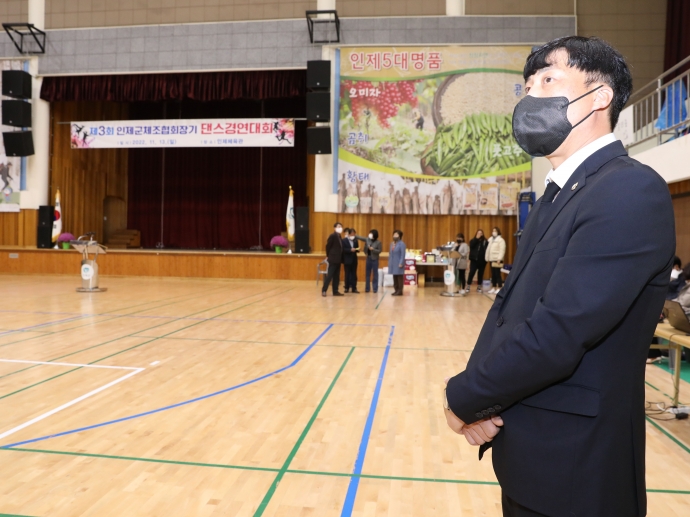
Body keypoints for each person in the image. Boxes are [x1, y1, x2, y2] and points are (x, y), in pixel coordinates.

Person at [444, 36, 675, 517]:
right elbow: (510, 311)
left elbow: (557, 333)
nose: (532, 96)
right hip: (530, 454)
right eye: (528, 86)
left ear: (599, 96)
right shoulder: (560, 195)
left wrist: (463, 398)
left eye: (549, 80)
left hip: (578, 470)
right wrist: (484, 403)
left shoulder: (627, 190)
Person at [322, 222, 344, 297]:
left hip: (338, 259)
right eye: (338, 226)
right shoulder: (333, 236)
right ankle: (324, 290)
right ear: (334, 228)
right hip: (333, 258)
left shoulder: (339, 236)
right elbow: (328, 246)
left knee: (336, 276)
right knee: (330, 275)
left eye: (341, 226)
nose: (340, 228)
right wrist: (328, 255)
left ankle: (335, 291)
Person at [485, 227, 506, 295]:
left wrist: (499, 258)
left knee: (497, 274)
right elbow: (488, 249)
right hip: (492, 259)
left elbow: (502, 250)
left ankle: (499, 288)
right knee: (493, 274)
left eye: (495, 231)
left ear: (498, 232)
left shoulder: (501, 240)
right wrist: (487, 257)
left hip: (497, 259)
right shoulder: (491, 240)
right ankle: (493, 287)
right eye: (493, 231)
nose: (493, 232)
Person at [363, 229, 382, 293]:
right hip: (368, 258)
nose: (370, 235)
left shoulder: (378, 242)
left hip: (375, 259)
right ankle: (367, 288)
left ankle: (375, 288)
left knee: (375, 274)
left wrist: (373, 249)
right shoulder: (368, 241)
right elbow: (364, 251)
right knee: (367, 274)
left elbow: (379, 251)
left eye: (371, 233)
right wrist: (366, 246)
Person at [389, 230, 406, 296]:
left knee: (399, 277)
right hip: (393, 263)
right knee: (395, 277)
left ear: (400, 236)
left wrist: (401, 263)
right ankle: (396, 290)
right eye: (394, 234)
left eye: (396, 235)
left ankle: (400, 291)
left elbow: (402, 254)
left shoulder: (402, 244)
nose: (395, 236)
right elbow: (391, 254)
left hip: (399, 263)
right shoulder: (392, 244)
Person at [343, 228, 361, 293]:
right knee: (347, 274)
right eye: (352, 234)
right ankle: (346, 288)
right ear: (349, 234)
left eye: (354, 234)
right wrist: (350, 250)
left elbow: (357, 249)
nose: (353, 235)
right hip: (347, 260)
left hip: (354, 260)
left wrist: (358, 249)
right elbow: (343, 249)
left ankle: (354, 288)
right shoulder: (344, 240)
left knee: (354, 274)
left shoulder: (355, 240)